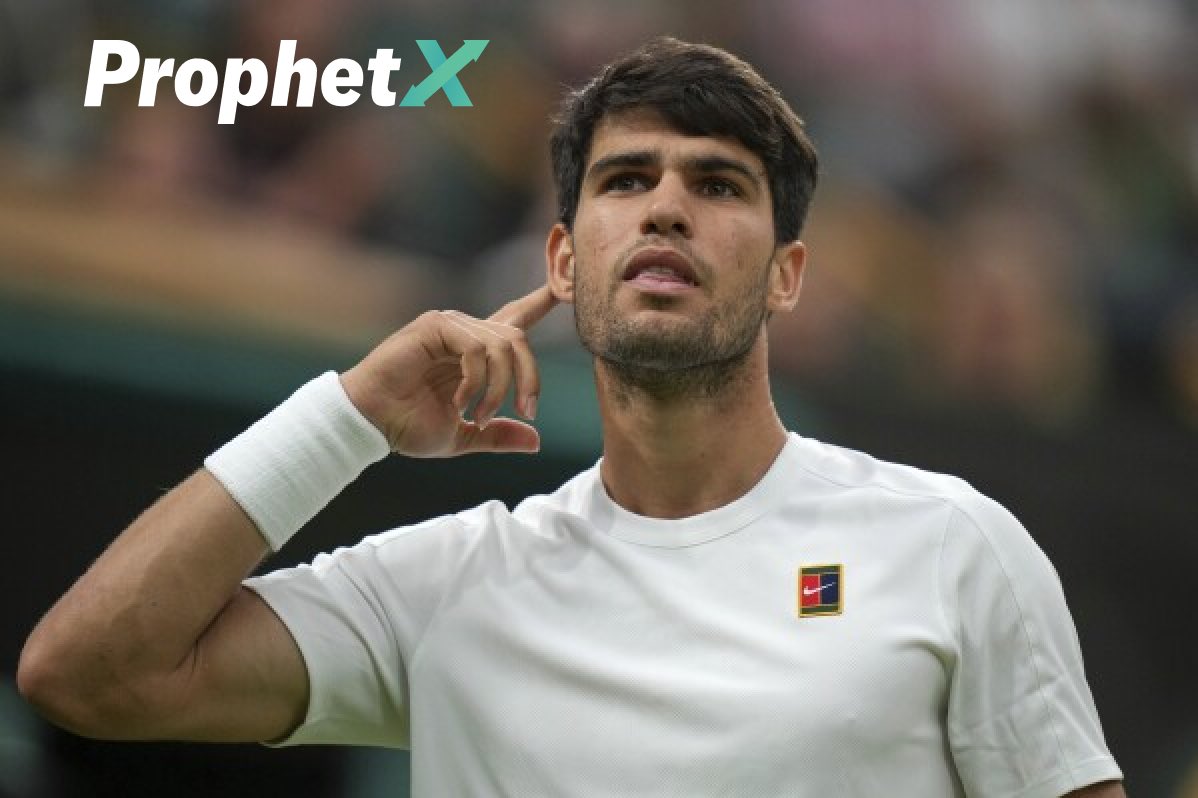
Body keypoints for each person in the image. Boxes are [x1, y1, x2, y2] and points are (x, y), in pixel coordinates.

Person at [18, 37, 1124, 796]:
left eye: (718, 185)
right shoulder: (450, 585)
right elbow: (86, 671)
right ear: (562, 260)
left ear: (786, 276)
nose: (667, 207)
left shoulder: (948, 545)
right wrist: (347, 416)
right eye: (626, 179)